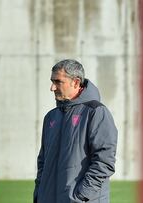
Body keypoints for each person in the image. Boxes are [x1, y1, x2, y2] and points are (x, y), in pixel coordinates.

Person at [33, 59, 118, 203]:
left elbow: (104, 162)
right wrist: (39, 194)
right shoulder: (51, 117)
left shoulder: (96, 112)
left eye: (58, 82)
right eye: (52, 81)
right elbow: (43, 161)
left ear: (76, 82)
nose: (52, 87)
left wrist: (80, 196)